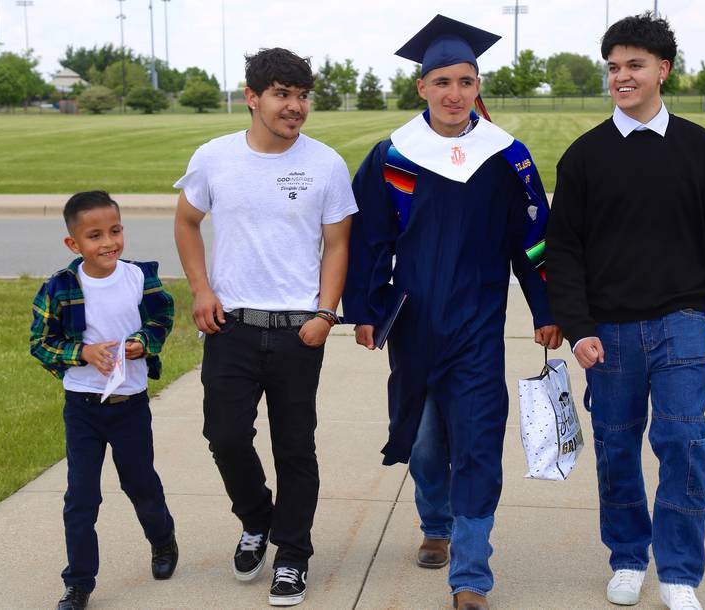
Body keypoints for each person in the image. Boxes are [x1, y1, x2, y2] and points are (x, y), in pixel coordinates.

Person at [342, 15, 561, 610]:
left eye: (465, 81)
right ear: (422, 87)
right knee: (426, 441)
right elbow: (370, 241)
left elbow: (534, 241)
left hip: (478, 326)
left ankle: (470, 573)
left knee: (478, 442)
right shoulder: (394, 156)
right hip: (412, 321)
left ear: (477, 85)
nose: (454, 93)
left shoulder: (505, 157)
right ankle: (434, 522)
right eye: (442, 82)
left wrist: (545, 306)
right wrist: (363, 309)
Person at [545, 13, 705, 610]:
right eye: (613, 67)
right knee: (617, 448)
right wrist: (579, 327)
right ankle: (626, 557)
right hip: (609, 333)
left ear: (663, 70)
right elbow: (562, 251)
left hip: (682, 324)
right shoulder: (585, 156)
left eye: (634, 65)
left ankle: (680, 572)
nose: (622, 76)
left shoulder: (700, 149)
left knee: (683, 441)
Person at [173, 47, 356, 606]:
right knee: (225, 437)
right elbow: (186, 222)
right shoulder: (214, 157)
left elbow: (338, 243)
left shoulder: (325, 163)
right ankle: (258, 520)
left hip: (299, 329)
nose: (294, 106)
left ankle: (292, 555)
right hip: (231, 327)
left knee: (295, 448)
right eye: (281, 94)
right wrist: (202, 290)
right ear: (252, 97)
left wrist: (325, 312)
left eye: (302, 95)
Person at [29, 191, 178, 610]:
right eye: (95, 236)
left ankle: (163, 539)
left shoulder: (138, 277)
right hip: (83, 407)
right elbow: (41, 343)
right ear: (73, 244)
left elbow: (160, 319)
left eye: (115, 230)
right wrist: (82, 353)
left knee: (139, 483)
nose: (108, 242)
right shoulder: (60, 287)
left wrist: (142, 343)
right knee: (81, 497)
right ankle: (79, 582)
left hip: (129, 404)